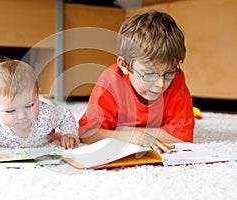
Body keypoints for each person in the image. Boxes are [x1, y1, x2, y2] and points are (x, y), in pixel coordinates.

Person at [78, 11, 195, 153]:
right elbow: (87, 134)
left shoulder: (176, 78)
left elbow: (183, 137)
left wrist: (124, 131)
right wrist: (133, 137)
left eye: (169, 72)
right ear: (124, 65)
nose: (161, 84)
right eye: (150, 74)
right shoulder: (111, 81)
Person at [0, 57, 80, 149]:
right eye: (10, 110)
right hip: (1, 107)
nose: (22, 116)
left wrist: (69, 133)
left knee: (48, 103)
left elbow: (64, 115)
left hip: (42, 103)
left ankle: (41, 98)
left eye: (29, 106)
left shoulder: (46, 115)